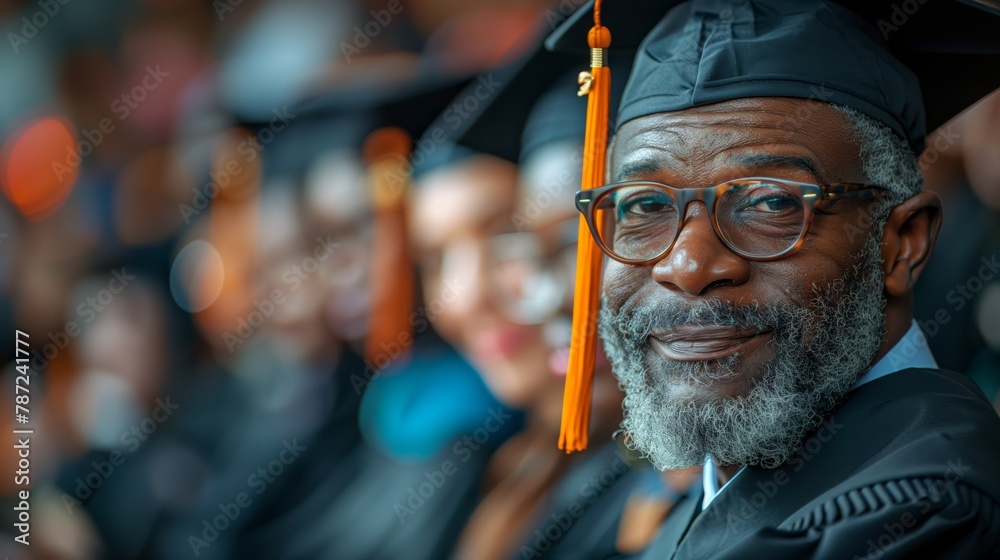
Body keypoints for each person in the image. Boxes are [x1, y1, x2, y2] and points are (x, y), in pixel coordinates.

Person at [543, 0, 1000, 558]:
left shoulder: (926, 516)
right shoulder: (716, 501)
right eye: (642, 207)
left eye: (770, 202)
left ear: (901, 244)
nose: (686, 267)